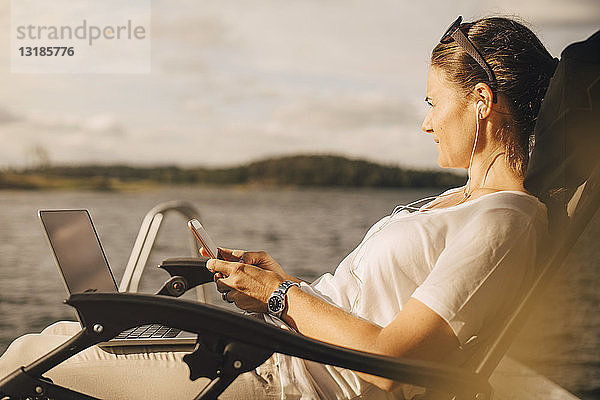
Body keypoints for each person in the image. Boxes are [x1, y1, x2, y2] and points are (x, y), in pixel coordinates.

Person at [0, 15, 557, 399]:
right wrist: (278, 286)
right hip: (273, 352)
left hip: (286, 380)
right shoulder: (458, 203)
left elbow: (396, 361)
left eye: (435, 103)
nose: (427, 122)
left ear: (481, 102)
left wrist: (278, 297)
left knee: (21, 370)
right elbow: (363, 307)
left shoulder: (505, 219)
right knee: (38, 343)